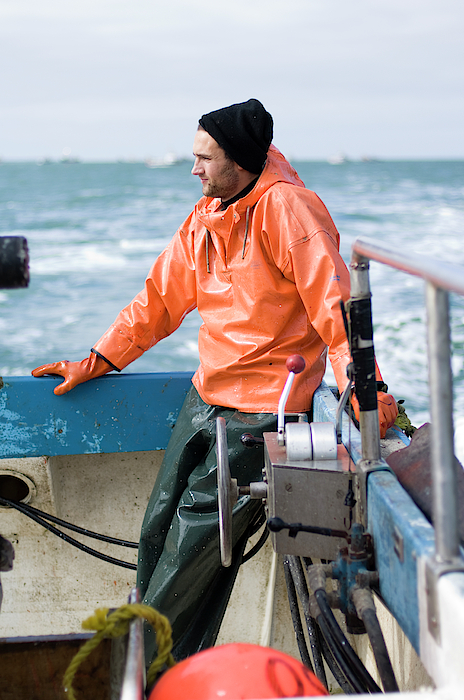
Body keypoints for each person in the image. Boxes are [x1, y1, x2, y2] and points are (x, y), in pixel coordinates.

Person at [32, 99, 397, 662]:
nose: (194, 169)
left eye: (204, 158)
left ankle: (143, 671)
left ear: (240, 160)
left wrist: (367, 386)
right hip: (205, 398)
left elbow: (335, 304)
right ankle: (149, 663)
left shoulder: (289, 209)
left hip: (264, 412)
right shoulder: (206, 214)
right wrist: (99, 359)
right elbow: (159, 299)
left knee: (191, 554)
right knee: (157, 532)